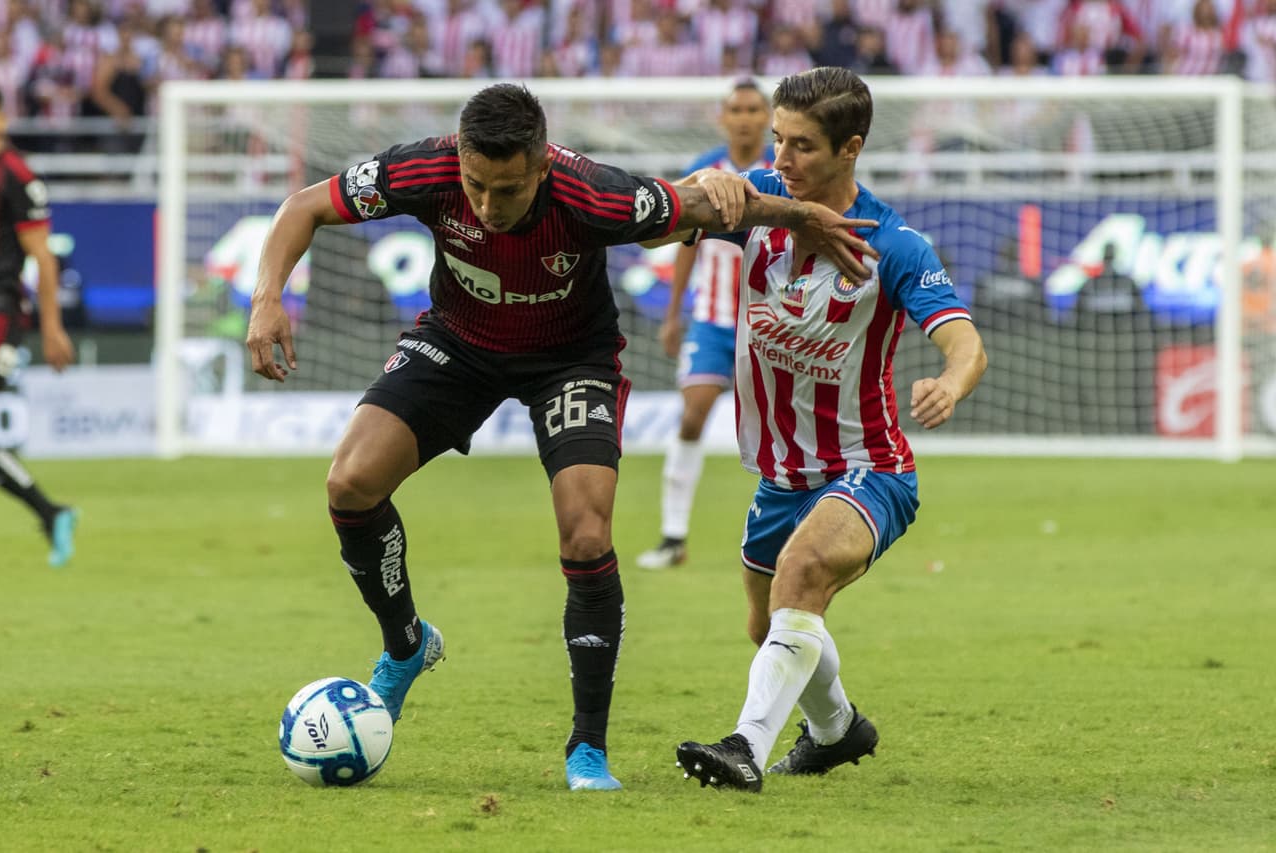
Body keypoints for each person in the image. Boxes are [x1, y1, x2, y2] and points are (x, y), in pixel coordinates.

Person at [244, 83, 878, 792]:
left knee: (585, 533)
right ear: (460, 160)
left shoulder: (594, 195)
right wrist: (268, 297)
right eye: (476, 186)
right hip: (458, 344)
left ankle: (587, 748)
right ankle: (406, 645)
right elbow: (303, 206)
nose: (489, 206)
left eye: (508, 190)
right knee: (349, 483)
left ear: (542, 165)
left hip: (570, 362)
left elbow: (702, 206)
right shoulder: (424, 169)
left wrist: (801, 216)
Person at [672, 67, 988, 792]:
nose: (780, 159)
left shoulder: (893, 243)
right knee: (770, 625)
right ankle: (838, 730)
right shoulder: (760, 197)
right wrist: (700, 190)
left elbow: (966, 342)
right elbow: (660, 218)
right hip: (780, 475)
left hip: (867, 466)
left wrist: (948, 383)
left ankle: (745, 747)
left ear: (851, 149)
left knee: (802, 571)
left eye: (802, 146)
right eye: (778, 140)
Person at [635, 79, 774, 571]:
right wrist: (674, 314)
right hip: (713, 320)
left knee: (784, 429)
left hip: (771, 322)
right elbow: (684, 242)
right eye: (736, 109)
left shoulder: (781, 171)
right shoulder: (705, 171)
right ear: (723, 117)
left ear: (767, 117)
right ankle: (673, 537)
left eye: (753, 109)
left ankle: (792, 532)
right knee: (692, 416)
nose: (744, 118)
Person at [0, 89, 78, 567]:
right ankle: (51, 513)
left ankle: (51, 513)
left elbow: (43, 259)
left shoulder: (17, 176)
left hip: (0, 313)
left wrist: (52, 328)